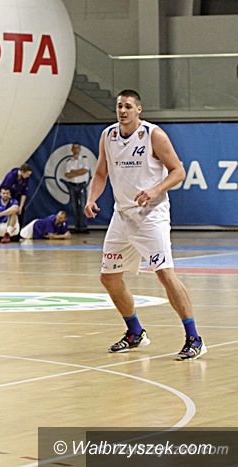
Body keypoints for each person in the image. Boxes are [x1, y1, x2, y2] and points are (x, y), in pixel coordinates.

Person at [85, 89, 206, 361]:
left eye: (128, 106)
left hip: (151, 215)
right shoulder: (108, 135)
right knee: (109, 278)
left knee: (164, 273)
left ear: (138, 109)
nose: (122, 110)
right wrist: (92, 199)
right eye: (119, 106)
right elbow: (101, 173)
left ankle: (194, 338)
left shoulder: (153, 135)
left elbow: (178, 171)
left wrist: (154, 190)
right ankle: (135, 332)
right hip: (122, 215)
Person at [63, 142, 89, 233]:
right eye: (74, 148)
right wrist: (78, 172)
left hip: (81, 185)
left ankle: (84, 227)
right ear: (72, 149)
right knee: (74, 207)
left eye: (77, 148)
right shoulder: (69, 161)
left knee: (83, 206)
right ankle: (77, 227)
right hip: (72, 185)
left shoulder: (84, 159)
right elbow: (67, 175)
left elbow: (85, 170)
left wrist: (73, 172)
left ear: (80, 149)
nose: (76, 150)